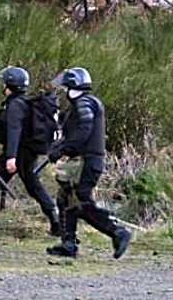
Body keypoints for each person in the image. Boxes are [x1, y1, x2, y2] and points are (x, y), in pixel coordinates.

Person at [45, 67, 131, 259]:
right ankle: (68, 243)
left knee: (81, 203)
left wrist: (62, 149)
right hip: (84, 160)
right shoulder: (86, 103)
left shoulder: (84, 103)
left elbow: (83, 131)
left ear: (73, 86)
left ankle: (118, 231)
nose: (64, 92)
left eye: (66, 87)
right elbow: (76, 132)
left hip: (87, 161)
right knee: (65, 199)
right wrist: (59, 147)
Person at [0, 65, 59, 236]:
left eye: (5, 83)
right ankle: (55, 218)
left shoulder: (15, 105)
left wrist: (11, 157)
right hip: (27, 152)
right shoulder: (23, 102)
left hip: (18, 153)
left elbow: (14, 130)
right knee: (32, 185)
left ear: (10, 86)